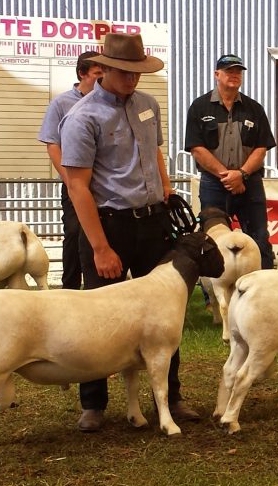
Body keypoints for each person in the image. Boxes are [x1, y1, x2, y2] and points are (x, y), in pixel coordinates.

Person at [59, 33, 199, 431]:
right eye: (125, 73)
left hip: (153, 222)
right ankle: (94, 403)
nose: (133, 80)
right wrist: (100, 247)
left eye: (138, 73)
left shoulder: (149, 105)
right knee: (95, 315)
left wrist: (166, 188)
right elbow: (78, 187)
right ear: (103, 69)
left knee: (165, 315)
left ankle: (170, 396)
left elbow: (154, 152)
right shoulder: (83, 116)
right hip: (110, 224)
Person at [185, 54, 276, 269]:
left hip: (249, 183)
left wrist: (241, 174)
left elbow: (261, 148)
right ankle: (214, 299)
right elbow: (197, 149)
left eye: (238, 71)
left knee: (259, 239)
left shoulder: (254, 109)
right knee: (213, 242)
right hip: (214, 184)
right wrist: (227, 176)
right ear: (217, 74)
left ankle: (263, 290)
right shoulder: (200, 107)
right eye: (229, 71)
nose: (234, 75)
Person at [37, 51, 102, 290]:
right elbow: (52, 145)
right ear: (82, 74)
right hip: (76, 183)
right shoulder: (62, 103)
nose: (102, 77)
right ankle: (70, 289)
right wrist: (71, 182)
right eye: (97, 73)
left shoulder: (108, 101)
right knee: (75, 233)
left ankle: (98, 289)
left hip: (104, 184)